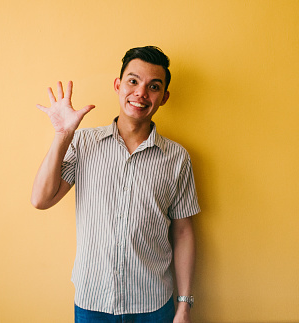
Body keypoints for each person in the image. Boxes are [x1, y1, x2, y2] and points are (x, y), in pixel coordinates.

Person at [31, 46, 200, 323]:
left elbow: (183, 233)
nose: (141, 93)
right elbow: (41, 199)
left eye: (153, 86)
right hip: (92, 303)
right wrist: (62, 136)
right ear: (118, 85)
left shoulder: (177, 158)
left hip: (153, 305)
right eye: (133, 81)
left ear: (164, 97)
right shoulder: (83, 143)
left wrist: (184, 305)